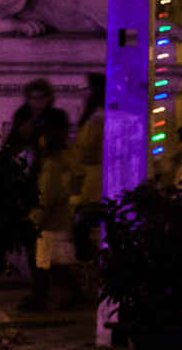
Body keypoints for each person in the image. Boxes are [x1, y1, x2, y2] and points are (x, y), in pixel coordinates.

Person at [21, 117, 84, 311]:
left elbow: (47, 195)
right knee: (51, 262)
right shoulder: (61, 161)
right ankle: (53, 296)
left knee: (46, 261)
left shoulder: (51, 165)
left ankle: (42, 298)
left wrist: (36, 218)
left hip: (51, 220)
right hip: (58, 218)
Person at [70, 73, 105, 264]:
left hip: (91, 186)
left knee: (83, 232)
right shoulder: (95, 118)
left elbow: (87, 153)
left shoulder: (96, 121)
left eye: (86, 90)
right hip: (92, 184)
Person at [6, 78, 70, 168]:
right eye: (33, 98)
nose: (37, 102)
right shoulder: (22, 114)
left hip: (51, 162)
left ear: (48, 98)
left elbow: (59, 141)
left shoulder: (58, 116)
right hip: (25, 162)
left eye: (41, 98)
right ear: (28, 99)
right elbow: (14, 141)